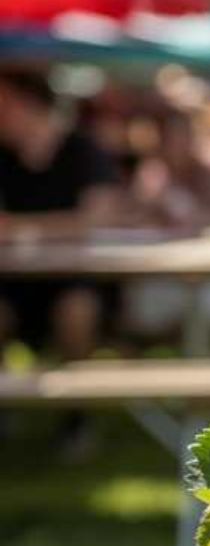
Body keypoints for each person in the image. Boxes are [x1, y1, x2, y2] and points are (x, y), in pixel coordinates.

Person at [0, 69, 119, 362]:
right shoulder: (4, 156)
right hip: (14, 278)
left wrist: (17, 227)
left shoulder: (83, 150)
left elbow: (98, 221)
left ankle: (77, 406)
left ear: (29, 103)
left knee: (76, 312)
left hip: (77, 278)